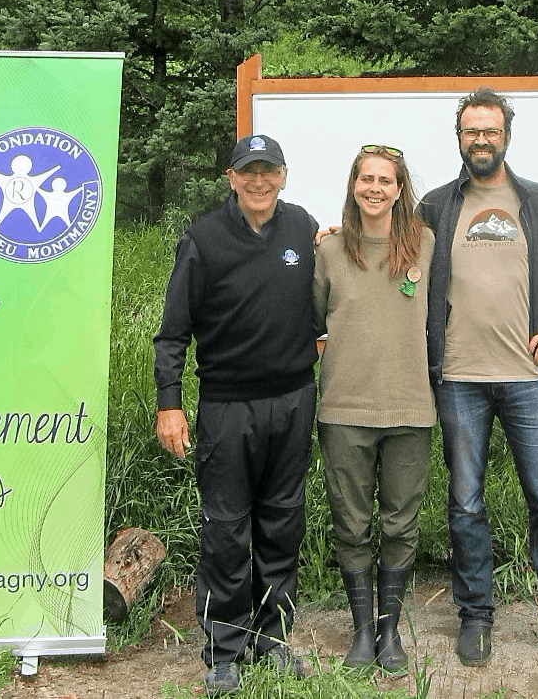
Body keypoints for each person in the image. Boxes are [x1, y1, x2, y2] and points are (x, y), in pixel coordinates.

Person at [419, 87, 538, 669]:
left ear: (506, 136)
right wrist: (334, 237)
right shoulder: (435, 206)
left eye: (491, 131)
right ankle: (476, 615)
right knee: (465, 502)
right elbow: (393, 250)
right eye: (471, 131)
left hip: (529, 378)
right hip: (458, 379)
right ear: (459, 138)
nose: (481, 140)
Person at [153, 134, 318, 696]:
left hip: (293, 400)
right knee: (226, 530)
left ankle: (272, 639)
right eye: (249, 171)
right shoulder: (203, 239)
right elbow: (172, 333)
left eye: (269, 170)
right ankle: (224, 649)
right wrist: (169, 403)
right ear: (231, 177)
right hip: (226, 408)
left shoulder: (302, 228)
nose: (259, 181)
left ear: (283, 176)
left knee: (282, 522)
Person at [312, 145, 436, 675]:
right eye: (367, 179)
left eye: (386, 180)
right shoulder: (329, 249)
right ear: (353, 185)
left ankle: (390, 632)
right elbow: (312, 317)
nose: (375, 188)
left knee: (400, 525)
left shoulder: (425, 244)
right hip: (344, 408)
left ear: (400, 189)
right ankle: (362, 631)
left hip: (410, 408)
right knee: (352, 524)